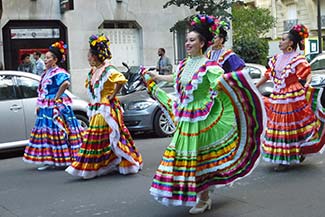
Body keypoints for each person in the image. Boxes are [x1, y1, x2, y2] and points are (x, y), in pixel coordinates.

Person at [141, 14, 265, 214]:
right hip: (186, 118)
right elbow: (176, 78)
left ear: (202, 43)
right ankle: (197, 194)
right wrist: (157, 76)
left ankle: (204, 197)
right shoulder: (184, 64)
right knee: (184, 156)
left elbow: (221, 84)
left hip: (202, 119)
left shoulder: (210, 66)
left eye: (192, 40)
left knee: (200, 158)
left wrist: (238, 84)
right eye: (187, 40)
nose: (187, 43)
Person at [65, 34, 143, 179]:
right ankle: (108, 163)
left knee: (97, 138)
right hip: (96, 109)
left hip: (106, 109)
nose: (88, 58)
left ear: (95, 56)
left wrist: (113, 95)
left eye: (89, 55)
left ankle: (93, 167)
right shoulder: (94, 71)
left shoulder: (108, 69)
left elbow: (121, 79)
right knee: (107, 138)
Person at [256, 24, 325, 171]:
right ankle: (291, 154)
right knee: (279, 125)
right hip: (279, 95)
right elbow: (268, 74)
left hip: (293, 96)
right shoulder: (276, 59)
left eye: (283, 39)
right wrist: (256, 86)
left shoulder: (297, 59)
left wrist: (307, 82)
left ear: (291, 43)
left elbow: (307, 73)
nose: (280, 42)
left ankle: (287, 158)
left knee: (289, 126)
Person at [23, 41, 84, 170]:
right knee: (47, 133)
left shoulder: (58, 72)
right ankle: (49, 159)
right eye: (45, 58)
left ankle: (66, 158)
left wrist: (56, 97)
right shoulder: (46, 73)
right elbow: (42, 91)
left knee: (60, 131)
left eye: (48, 58)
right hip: (46, 106)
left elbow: (65, 83)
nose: (45, 60)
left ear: (55, 60)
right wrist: (39, 104)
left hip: (55, 106)